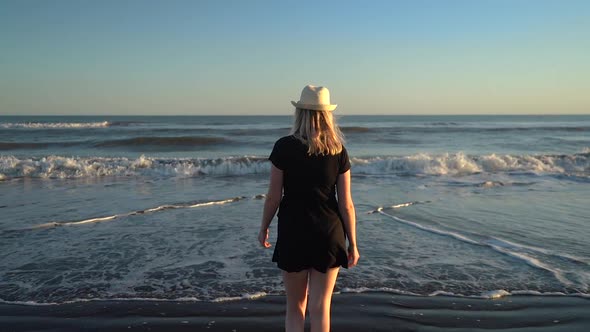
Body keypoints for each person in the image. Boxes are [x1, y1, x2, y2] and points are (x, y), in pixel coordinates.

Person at [258, 85, 359, 332]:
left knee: (295, 307)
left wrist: (264, 228)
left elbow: (273, 196)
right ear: (327, 115)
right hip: (329, 233)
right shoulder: (338, 151)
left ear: (300, 113)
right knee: (321, 307)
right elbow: (346, 203)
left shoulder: (284, 146)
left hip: (294, 231)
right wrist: (353, 243)